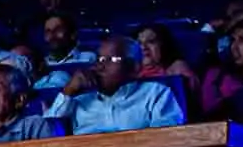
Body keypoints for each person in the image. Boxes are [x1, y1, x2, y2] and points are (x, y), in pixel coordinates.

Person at [44, 35, 184, 135]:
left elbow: (166, 139)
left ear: (134, 68)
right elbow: (47, 135)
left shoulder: (155, 94)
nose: (100, 66)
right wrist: (68, 91)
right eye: (99, 59)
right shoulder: (79, 101)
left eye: (109, 59)